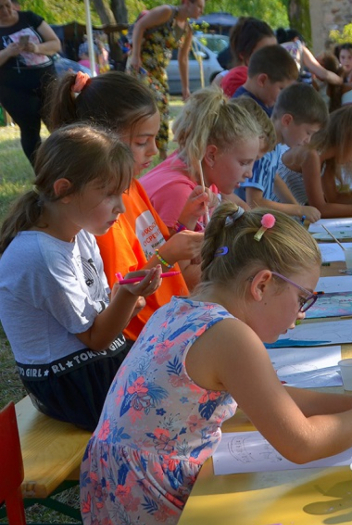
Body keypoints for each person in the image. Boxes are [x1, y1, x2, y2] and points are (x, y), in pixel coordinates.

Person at [79, 203, 352, 525]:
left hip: (116, 486)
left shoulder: (177, 309)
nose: (302, 314)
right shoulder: (230, 336)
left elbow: (268, 397)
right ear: (262, 284)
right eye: (302, 299)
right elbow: (302, 444)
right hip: (155, 499)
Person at [0, 124, 161, 430]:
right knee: (172, 400)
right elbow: (97, 339)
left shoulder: (81, 232)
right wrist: (127, 297)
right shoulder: (42, 256)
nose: (121, 207)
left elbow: (99, 318)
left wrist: (125, 301)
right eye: (110, 194)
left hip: (94, 364)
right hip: (71, 382)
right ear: (64, 191)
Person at [49, 71, 205, 341]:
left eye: (155, 139)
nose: (154, 150)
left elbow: (151, 246)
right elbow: (123, 288)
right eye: (142, 142)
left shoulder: (133, 186)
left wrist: (184, 223)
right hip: (143, 336)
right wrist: (167, 256)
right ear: (102, 140)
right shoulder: (101, 209)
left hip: (170, 317)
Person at [140, 88, 263, 229]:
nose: (249, 174)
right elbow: (170, 243)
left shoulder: (204, 173)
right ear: (211, 155)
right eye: (244, 163)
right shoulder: (181, 194)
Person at [234, 83, 328, 220]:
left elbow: (274, 177)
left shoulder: (276, 145)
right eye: (308, 133)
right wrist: (298, 209)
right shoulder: (261, 149)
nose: (308, 140)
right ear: (287, 120)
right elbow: (254, 202)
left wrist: (298, 208)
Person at [126, 0, 204, 159]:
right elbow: (140, 26)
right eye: (199, 6)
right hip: (141, 65)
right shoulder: (167, 12)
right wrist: (135, 55)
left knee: (164, 108)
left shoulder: (187, 30)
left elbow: (183, 59)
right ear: (187, 3)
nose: (201, 11)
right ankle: (135, 145)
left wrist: (185, 88)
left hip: (159, 71)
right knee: (155, 101)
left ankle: (162, 152)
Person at [280, 104, 352, 216]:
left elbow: (334, 198)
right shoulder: (311, 155)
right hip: (279, 217)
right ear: (347, 141)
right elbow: (320, 209)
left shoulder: (327, 159)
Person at [0, 0, 61, 166]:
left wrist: (36, 48)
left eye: (7, 5)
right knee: (29, 130)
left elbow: (55, 43)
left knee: (59, 124)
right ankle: (42, 171)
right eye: (0, 7)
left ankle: (69, 164)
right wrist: (7, 52)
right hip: (14, 90)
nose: (6, 10)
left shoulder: (29, 18)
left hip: (47, 81)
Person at [231, 44, 299, 116]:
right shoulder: (244, 112)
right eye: (281, 89)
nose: (284, 96)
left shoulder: (265, 101)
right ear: (262, 80)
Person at [218, 17, 276, 98]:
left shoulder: (223, 77)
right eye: (265, 53)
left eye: (275, 51)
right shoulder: (241, 83)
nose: (273, 58)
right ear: (244, 55)